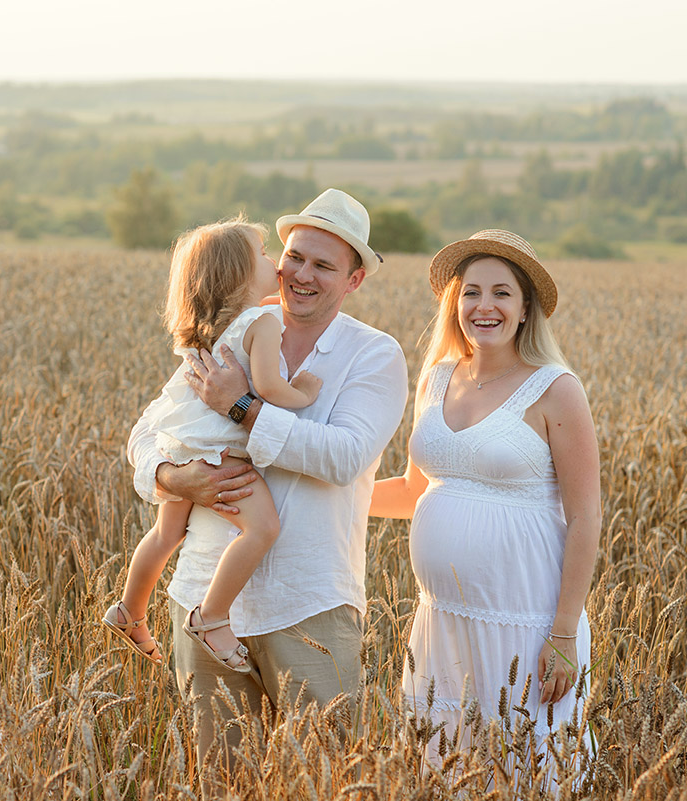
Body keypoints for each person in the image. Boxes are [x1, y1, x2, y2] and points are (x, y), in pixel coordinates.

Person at [127, 189, 408, 789]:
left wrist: (243, 407)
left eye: (324, 265)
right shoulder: (234, 329)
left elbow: (344, 457)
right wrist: (174, 478)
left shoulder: (373, 355)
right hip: (203, 594)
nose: (301, 275)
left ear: (354, 278)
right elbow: (149, 431)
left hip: (309, 601)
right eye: (295, 256)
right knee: (220, 782)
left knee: (327, 780)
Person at [369, 230, 600, 766]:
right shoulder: (437, 377)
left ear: (525, 310)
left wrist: (564, 633)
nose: (484, 306)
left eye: (501, 293)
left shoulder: (554, 389)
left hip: (525, 619)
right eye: (471, 292)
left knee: (526, 762)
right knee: (447, 763)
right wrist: (326, 496)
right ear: (455, 303)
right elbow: (412, 491)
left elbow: (586, 517)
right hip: (443, 620)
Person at [102, 218, 324, 673]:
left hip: (182, 446)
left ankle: (129, 609)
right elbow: (267, 385)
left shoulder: (205, 330)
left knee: (166, 534)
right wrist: (302, 391)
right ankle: (213, 616)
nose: (275, 263)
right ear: (240, 275)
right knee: (261, 530)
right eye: (264, 255)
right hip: (220, 453)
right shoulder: (262, 321)